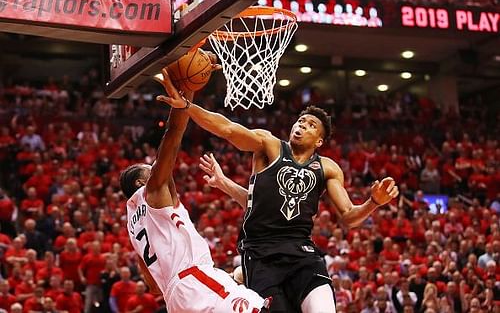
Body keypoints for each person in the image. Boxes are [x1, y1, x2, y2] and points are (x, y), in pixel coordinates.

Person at [159, 88, 399, 312]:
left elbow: (348, 216)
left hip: (302, 253)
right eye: (301, 121)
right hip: (261, 255)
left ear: (319, 141)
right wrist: (187, 106)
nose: (302, 125)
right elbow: (228, 129)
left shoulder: (327, 168)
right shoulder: (269, 145)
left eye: (311, 125)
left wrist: (373, 203)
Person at [120, 66, 268, 313]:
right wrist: (186, 93)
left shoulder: (133, 226)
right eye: (150, 169)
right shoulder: (151, 192)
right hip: (194, 280)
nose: (156, 170)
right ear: (139, 182)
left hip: (175, 300)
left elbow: (154, 288)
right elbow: (173, 134)